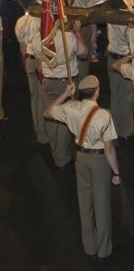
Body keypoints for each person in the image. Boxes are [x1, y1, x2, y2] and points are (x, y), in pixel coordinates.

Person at [44, 75, 120, 261]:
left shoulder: (71, 108)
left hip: (80, 157)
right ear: (97, 92)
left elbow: (47, 112)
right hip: (98, 159)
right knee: (101, 204)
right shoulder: (104, 115)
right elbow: (109, 149)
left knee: (84, 203)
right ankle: (104, 249)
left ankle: (89, 246)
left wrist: (64, 94)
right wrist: (116, 172)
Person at [33, 22, 87, 168]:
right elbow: (84, 54)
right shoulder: (69, 37)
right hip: (67, 84)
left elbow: (37, 62)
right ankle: (62, 157)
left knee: (51, 118)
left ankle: (56, 151)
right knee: (63, 121)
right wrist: (77, 33)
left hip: (48, 82)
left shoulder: (39, 37)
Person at [15, 0, 47, 144]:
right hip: (41, 61)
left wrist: (26, 63)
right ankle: (45, 132)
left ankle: (38, 131)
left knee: (34, 97)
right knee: (43, 97)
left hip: (29, 60)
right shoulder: (41, 20)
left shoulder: (20, 22)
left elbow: (22, 47)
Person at [106, 21, 134, 140]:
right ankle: (126, 131)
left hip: (111, 57)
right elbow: (128, 40)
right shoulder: (125, 22)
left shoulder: (110, 16)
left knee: (115, 97)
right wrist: (132, 29)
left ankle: (116, 129)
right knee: (126, 97)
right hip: (123, 60)